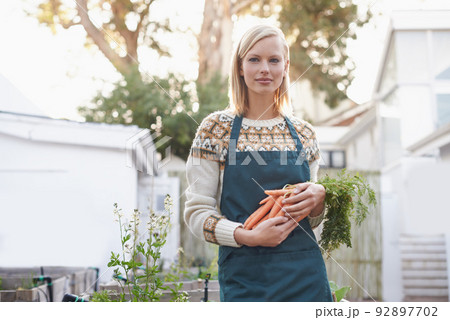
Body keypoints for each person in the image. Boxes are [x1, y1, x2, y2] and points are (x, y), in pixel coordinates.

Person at [184, 24, 333, 302]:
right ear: (240, 67)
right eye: (254, 59)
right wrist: (247, 236)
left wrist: (319, 200)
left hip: (305, 275)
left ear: (286, 66)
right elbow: (196, 213)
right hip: (245, 276)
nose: (265, 68)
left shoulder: (304, 133)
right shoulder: (215, 129)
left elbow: (312, 223)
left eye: (273, 60)